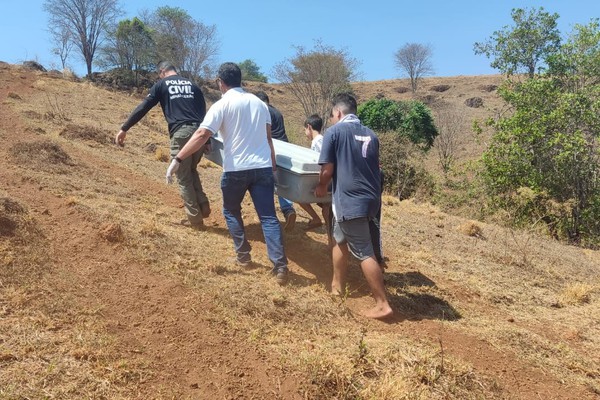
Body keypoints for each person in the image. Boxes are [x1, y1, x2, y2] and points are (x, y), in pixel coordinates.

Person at [166, 62, 289, 285]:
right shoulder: (260, 105)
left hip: (236, 170)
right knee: (269, 217)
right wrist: (272, 168)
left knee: (231, 211)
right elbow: (268, 139)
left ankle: (243, 257)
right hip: (262, 169)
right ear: (240, 80)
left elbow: (202, 134)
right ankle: (280, 266)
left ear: (220, 83)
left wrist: (178, 158)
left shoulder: (222, 105)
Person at [315, 93, 393, 319]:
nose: (330, 120)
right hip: (371, 199)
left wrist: (321, 186)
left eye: (331, 116)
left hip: (350, 201)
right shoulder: (371, 134)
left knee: (363, 251)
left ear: (338, 113)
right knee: (340, 238)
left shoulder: (334, 132)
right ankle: (337, 287)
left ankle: (382, 303)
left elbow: (327, 170)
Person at [116, 61, 210, 229]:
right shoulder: (193, 85)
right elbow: (203, 112)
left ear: (161, 72)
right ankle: (203, 204)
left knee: (183, 176)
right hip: (199, 134)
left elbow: (144, 107)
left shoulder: (161, 85)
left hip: (181, 133)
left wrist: (125, 128)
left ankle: (195, 220)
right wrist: (207, 139)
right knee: (191, 169)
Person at [255, 91, 296, 232]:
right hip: (285, 147)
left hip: (272, 148)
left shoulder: (262, 111)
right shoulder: (277, 112)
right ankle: (287, 209)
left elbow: (263, 134)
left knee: (271, 182)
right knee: (283, 181)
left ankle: (282, 210)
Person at [297, 114, 330, 232]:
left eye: (305, 129)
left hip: (324, 180)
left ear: (309, 127)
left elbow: (323, 162)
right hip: (325, 179)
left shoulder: (318, 142)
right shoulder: (323, 140)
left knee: (298, 195)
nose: (305, 132)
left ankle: (323, 225)